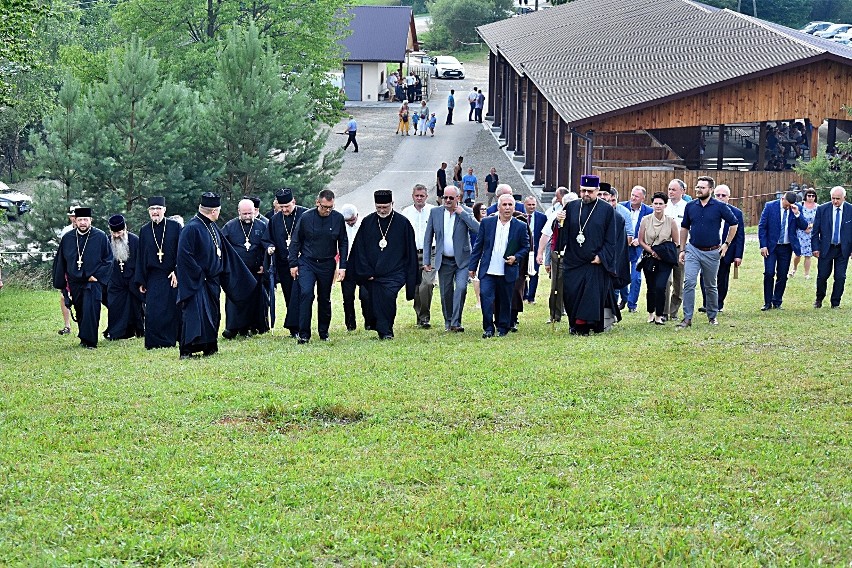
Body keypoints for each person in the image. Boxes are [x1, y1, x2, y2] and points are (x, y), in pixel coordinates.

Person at [176, 193, 255, 359]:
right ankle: (187, 350)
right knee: (194, 316)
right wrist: (200, 274)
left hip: (212, 281)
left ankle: (209, 346)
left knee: (212, 315)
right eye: (218, 210)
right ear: (213, 211)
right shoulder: (191, 228)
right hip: (197, 282)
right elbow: (184, 255)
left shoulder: (212, 227)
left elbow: (224, 253)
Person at [347, 190, 420, 340]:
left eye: (385, 207)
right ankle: (380, 328)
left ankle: (386, 330)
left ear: (392, 204)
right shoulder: (368, 222)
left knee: (387, 296)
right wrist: (366, 272)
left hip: (395, 272)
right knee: (370, 299)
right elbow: (359, 249)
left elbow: (410, 251)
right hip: (372, 273)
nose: (381, 210)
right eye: (378, 207)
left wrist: (409, 273)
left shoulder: (402, 223)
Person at [560, 175, 620, 335]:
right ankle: (574, 324)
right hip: (574, 260)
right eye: (583, 190)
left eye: (590, 191)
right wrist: (558, 223)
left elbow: (611, 238)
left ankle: (585, 326)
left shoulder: (606, 210)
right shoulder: (571, 207)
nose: (586, 194)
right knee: (571, 294)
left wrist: (602, 256)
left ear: (597, 190)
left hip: (594, 261)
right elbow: (561, 233)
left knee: (590, 297)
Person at [676, 176, 739, 329]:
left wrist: (726, 244)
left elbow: (734, 223)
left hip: (712, 252)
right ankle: (687, 318)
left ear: (710, 190)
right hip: (693, 250)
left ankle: (712, 316)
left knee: (710, 285)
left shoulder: (720, 206)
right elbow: (684, 227)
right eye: (697, 187)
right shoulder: (690, 206)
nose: (698, 190)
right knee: (689, 282)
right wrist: (683, 249)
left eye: (702, 187)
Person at [288, 189, 348, 343]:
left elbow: (343, 242)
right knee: (306, 294)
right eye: (324, 207)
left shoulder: (338, 218)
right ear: (317, 203)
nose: (327, 211)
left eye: (330, 208)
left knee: (325, 298)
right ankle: (304, 334)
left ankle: (324, 332)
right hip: (307, 262)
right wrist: (293, 263)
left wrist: (342, 266)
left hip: (327, 263)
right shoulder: (306, 217)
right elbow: (296, 241)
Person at [469, 193, 530, 338]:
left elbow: (525, 246)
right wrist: (472, 266)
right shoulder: (487, 223)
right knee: (486, 298)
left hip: (507, 270)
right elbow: (478, 246)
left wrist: (516, 257)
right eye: (504, 205)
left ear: (514, 207)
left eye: (510, 205)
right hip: (488, 270)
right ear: (498, 207)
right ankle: (488, 328)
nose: (507, 208)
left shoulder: (520, 226)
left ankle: (503, 327)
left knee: (505, 299)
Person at [52, 207, 113, 349]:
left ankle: (91, 341)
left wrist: (96, 276)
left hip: (93, 281)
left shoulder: (100, 236)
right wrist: (62, 284)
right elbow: (61, 261)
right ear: (75, 221)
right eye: (80, 220)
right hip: (75, 282)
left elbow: (109, 260)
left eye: (86, 219)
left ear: (91, 220)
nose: (83, 222)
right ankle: (83, 338)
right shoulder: (68, 238)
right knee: (80, 310)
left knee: (91, 309)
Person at [423, 185, 480, 331]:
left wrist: (463, 214)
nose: (447, 200)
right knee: (445, 292)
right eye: (445, 197)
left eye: (450, 198)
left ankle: (456, 322)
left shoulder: (466, 211)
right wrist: (427, 260)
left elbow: (478, 229)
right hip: (444, 260)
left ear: (458, 198)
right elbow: (428, 237)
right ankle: (448, 322)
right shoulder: (435, 212)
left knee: (461, 288)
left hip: (462, 260)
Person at [135, 196, 182, 349]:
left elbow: (182, 252)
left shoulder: (175, 227)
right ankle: (154, 342)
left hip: (171, 275)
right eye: (152, 209)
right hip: (153, 276)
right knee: (153, 311)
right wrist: (141, 280)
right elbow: (141, 256)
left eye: (158, 209)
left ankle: (170, 340)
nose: (155, 212)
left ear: (164, 210)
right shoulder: (145, 230)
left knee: (171, 309)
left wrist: (177, 270)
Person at [221, 198, 273, 337]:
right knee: (234, 300)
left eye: (250, 213)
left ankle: (253, 326)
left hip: (256, 271)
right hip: (236, 272)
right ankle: (233, 328)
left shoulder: (262, 226)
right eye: (245, 214)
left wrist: (264, 264)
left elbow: (266, 245)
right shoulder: (230, 226)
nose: (248, 216)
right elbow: (223, 247)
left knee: (255, 300)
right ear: (239, 212)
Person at [264, 188, 307, 337]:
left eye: (287, 206)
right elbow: (267, 238)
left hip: (303, 263)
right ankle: (294, 329)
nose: (284, 210)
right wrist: (270, 247)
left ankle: (301, 326)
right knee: (289, 295)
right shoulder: (275, 220)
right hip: (284, 265)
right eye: (281, 207)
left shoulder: (305, 215)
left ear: (294, 202)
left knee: (301, 294)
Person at [757, 191, 806, 311]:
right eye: (786, 204)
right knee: (769, 273)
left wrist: (797, 214)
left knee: (782, 275)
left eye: (790, 205)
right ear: (782, 198)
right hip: (771, 246)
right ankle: (767, 302)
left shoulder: (797, 208)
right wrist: (763, 245)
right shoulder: (770, 206)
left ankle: (777, 301)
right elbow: (762, 226)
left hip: (786, 247)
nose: (788, 207)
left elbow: (804, 226)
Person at [699, 184, 744, 313]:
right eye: (718, 195)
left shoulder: (736, 213)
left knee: (722, 278)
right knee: (704, 277)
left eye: (723, 195)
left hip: (726, 251)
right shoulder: (705, 210)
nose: (720, 197)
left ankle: (718, 304)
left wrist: (738, 255)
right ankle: (707, 303)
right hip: (707, 250)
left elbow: (740, 236)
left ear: (728, 198)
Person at [638, 192, 680, 324]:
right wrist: (652, 251)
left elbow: (676, 242)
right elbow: (641, 240)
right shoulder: (645, 220)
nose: (658, 206)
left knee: (661, 286)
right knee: (651, 287)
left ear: (665, 205)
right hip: (649, 258)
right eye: (655, 203)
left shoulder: (671, 221)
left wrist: (662, 252)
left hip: (664, 260)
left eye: (660, 204)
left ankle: (659, 315)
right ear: (652, 204)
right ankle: (651, 313)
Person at [104, 214, 144, 340]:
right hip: (115, 281)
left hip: (132, 279)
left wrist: (140, 281)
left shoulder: (135, 241)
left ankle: (138, 330)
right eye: (114, 233)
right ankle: (117, 332)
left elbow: (140, 262)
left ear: (125, 229)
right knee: (115, 306)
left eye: (119, 232)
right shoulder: (107, 241)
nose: (116, 235)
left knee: (135, 307)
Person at [811, 186, 852, 308]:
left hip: (843, 249)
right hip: (826, 248)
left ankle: (835, 302)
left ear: (844, 198)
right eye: (833, 198)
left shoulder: (850, 210)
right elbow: (815, 231)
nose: (835, 201)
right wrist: (815, 248)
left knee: (840, 277)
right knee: (822, 276)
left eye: (838, 199)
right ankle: (819, 298)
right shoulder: (822, 209)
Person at [402, 183, 436, 328]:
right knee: (416, 286)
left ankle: (425, 316)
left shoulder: (434, 211)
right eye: (417, 196)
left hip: (430, 252)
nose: (419, 198)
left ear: (427, 197)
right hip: (412, 253)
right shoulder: (406, 212)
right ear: (413, 196)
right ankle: (420, 317)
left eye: (422, 196)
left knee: (427, 284)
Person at [621, 185, 653, 313]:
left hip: (639, 247)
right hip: (623, 246)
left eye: (636, 196)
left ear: (643, 198)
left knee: (636, 277)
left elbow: (651, 229)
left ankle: (632, 304)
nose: (633, 198)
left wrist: (639, 240)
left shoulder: (649, 211)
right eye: (632, 195)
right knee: (621, 274)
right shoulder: (621, 207)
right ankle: (624, 298)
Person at [340, 204, 370, 331]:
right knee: (347, 297)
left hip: (362, 265)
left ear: (357, 215)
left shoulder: (365, 226)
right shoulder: (341, 227)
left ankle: (369, 322)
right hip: (346, 265)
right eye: (347, 221)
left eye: (352, 220)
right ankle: (350, 324)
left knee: (365, 296)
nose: (350, 223)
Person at [664, 178, 688, 321]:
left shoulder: (688, 207)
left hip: (680, 248)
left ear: (682, 191)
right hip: (665, 248)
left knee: (679, 281)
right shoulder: (663, 206)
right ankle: (664, 311)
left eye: (674, 189)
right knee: (666, 281)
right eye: (669, 189)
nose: (671, 192)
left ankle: (674, 311)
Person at [56, 205, 78, 335]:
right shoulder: (66, 232)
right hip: (69, 268)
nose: (75, 219)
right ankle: (67, 325)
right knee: (64, 296)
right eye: (73, 217)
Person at [522, 196, 546, 304]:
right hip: (522, 249)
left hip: (535, 249)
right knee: (522, 272)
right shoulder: (519, 216)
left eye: (533, 205)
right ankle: (524, 294)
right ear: (525, 205)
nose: (532, 207)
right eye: (529, 205)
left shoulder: (542, 217)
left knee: (534, 273)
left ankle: (531, 297)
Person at [791, 187, 819, 279]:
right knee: (798, 253)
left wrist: (810, 227)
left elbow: (818, 220)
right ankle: (794, 268)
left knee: (808, 255)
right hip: (801, 232)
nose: (811, 197)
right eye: (809, 195)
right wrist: (804, 227)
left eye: (813, 196)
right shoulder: (800, 205)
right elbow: (797, 218)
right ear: (805, 196)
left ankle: (806, 274)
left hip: (811, 233)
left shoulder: (818, 207)